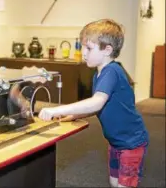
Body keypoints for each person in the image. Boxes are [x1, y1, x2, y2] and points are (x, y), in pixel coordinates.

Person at [38, 19, 149, 188]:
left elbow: (97, 103)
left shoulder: (112, 71)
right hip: (116, 142)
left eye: (89, 48)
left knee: (124, 185)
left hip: (131, 142)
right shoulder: (98, 75)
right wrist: (73, 115)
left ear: (107, 50)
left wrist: (56, 109)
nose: (83, 53)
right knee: (114, 182)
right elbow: (98, 107)